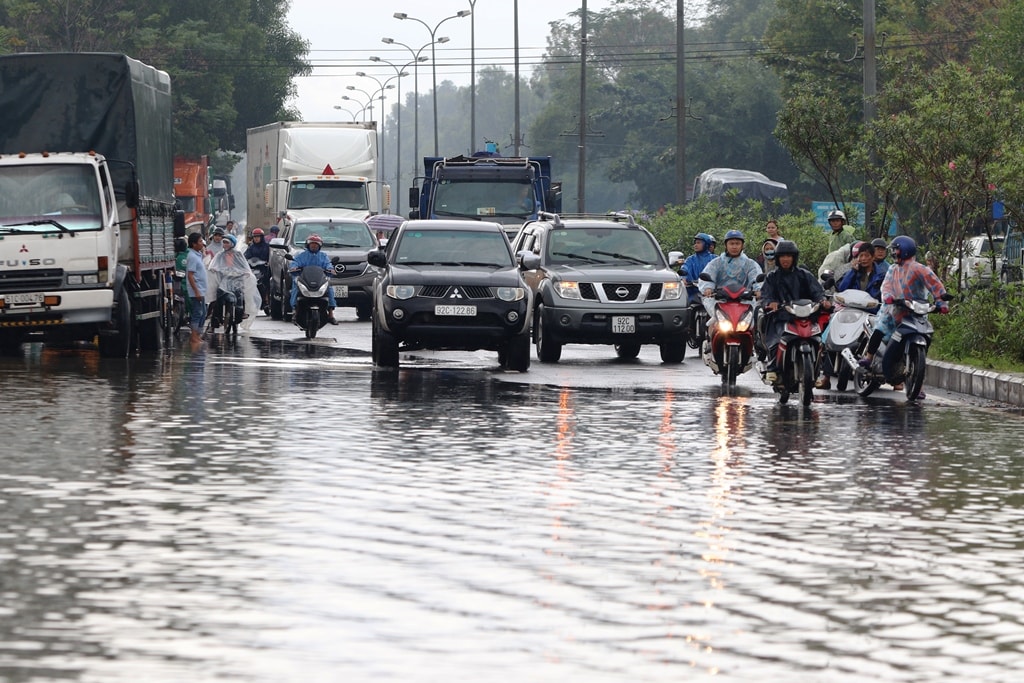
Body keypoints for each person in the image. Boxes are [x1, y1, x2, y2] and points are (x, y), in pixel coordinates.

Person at [859, 236, 949, 399]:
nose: (893, 253)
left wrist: (941, 300)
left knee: (926, 337)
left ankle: (918, 385)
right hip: (894, 309)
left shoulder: (920, 269)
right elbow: (886, 286)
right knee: (880, 329)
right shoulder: (893, 269)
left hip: (916, 311)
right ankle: (868, 357)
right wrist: (888, 296)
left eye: (895, 249)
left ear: (904, 250)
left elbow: (935, 285)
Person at [759, 240, 830, 381]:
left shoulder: (805, 275)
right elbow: (765, 295)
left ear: (794, 258)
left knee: (821, 340)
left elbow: (817, 291)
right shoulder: (772, 277)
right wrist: (771, 303)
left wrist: (823, 301)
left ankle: (823, 373)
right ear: (778, 258)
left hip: (806, 316)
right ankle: (772, 367)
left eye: (789, 256)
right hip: (781, 316)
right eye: (782, 256)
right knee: (775, 339)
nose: (785, 259)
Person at [699, 229, 763, 318]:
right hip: (720, 300)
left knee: (756, 320)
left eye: (737, 243)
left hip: (744, 300)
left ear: (742, 246)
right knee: (714, 322)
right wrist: (708, 288)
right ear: (726, 245)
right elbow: (708, 275)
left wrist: (758, 289)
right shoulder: (716, 263)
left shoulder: (750, 264)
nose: (734, 246)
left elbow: (756, 278)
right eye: (731, 243)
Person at [208, 233, 261, 332]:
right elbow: (214, 265)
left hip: (237, 279)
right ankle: (215, 321)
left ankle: (242, 313)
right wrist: (214, 269)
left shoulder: (238, 254)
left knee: (240, 295)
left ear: (232, 243)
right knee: (219, 295)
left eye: (227, 242)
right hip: (225, 279)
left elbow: (245, 267)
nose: (225, 244)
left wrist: (246, 273)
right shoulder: (220, 255)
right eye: (224, 242)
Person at [289, 233, 338, 324]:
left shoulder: (323, 256)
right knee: (295, 288)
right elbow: (295, 263)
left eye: (316, 244)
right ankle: (295, 311)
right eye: (312, 244)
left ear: (319, 246)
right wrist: (294, 268)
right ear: (308, 245)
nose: (314, 246)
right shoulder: (301, 255)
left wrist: (331, 270)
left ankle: (331, 314)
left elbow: (328, 265)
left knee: (329, 289)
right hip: (304, 280)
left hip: (319, 281)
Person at [680, 233, 715, 304]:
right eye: (695, 243)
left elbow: (722, 272)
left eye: (699, 243)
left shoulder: (715, 259)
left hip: (712, 293)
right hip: (693, 293)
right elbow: (684, 268)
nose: (695, 245)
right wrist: (683, 278)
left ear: (706, 244)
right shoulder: (690, 259)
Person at [186, 232, 208, 344]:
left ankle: (197, 335)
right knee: (197, 313)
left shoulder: (197, 255)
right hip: (197, 290)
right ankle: (194, 336)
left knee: (203, 313)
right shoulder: (192, 257)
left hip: (201, 290)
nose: (202, 243)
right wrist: (196, 291)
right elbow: (190, 275)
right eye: (200, 241)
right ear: (194, 244)